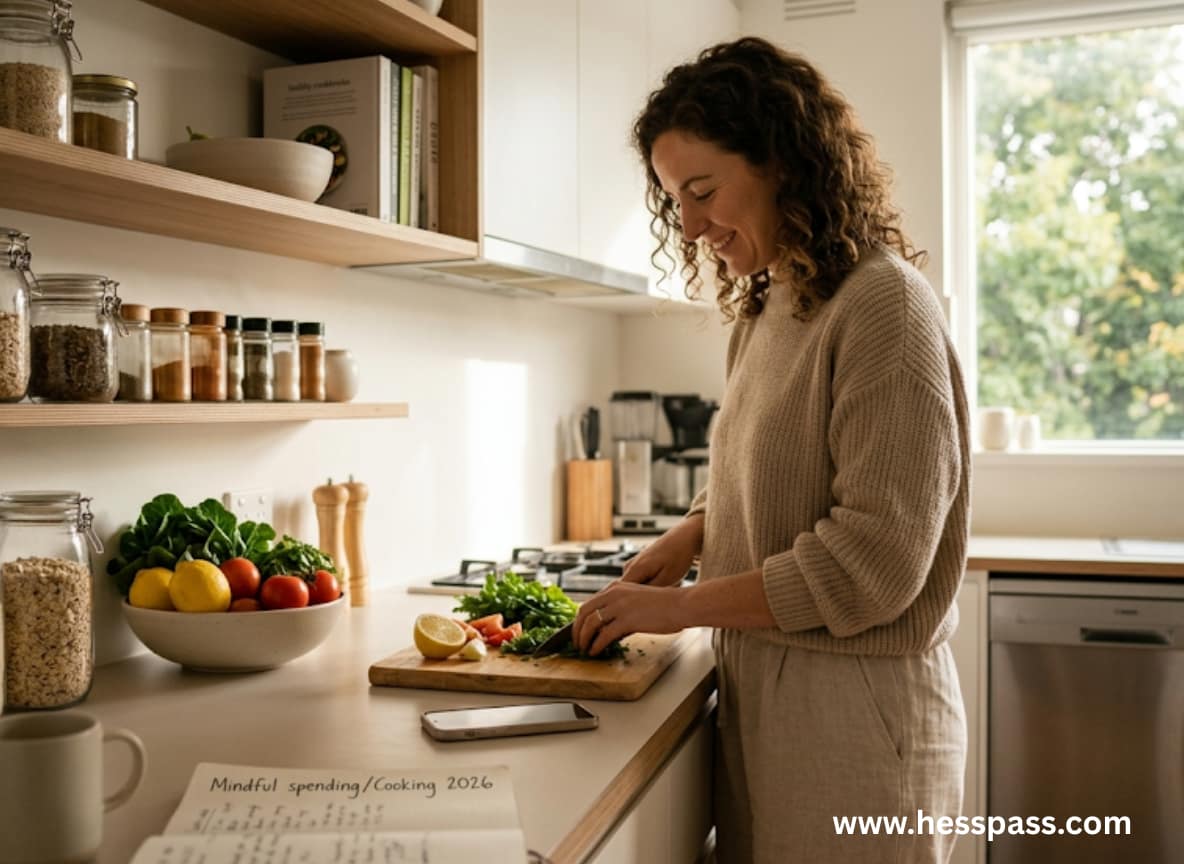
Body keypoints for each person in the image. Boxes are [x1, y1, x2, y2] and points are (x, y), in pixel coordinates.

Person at [571, 37, 970, 864]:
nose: (687, 223)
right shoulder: (771, 308)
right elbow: (761, 475)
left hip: (858, 716)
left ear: (786, 163)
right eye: (673, 197)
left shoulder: (884, 307)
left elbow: (876, 559)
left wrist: (682, 607)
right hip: (765, 691)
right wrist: (690, 536)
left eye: (703, 190)